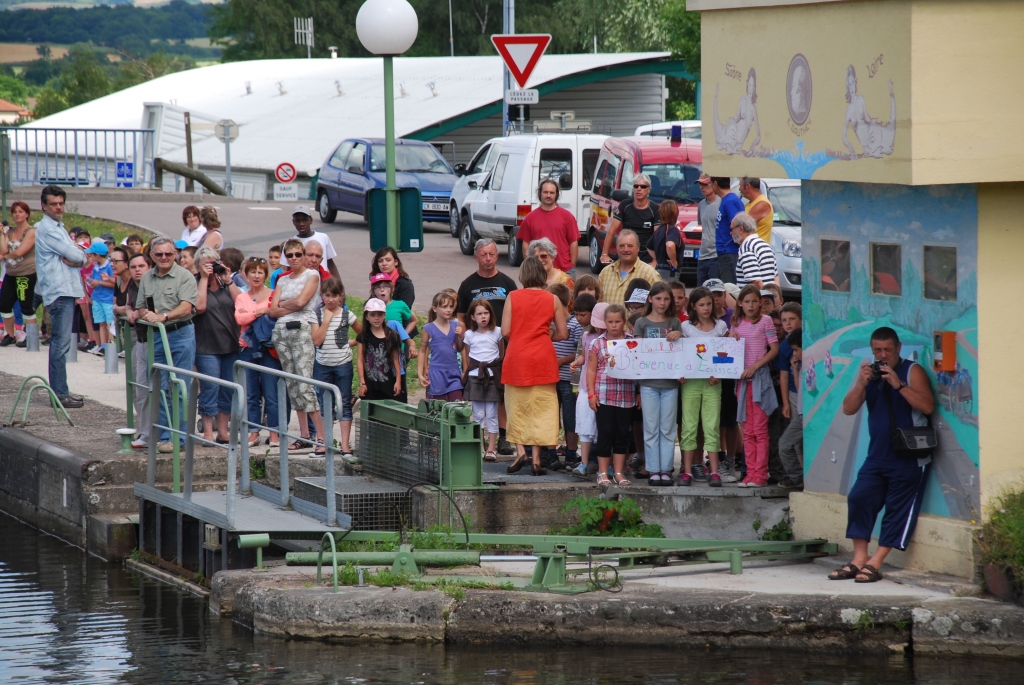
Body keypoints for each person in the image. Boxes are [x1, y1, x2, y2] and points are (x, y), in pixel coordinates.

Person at [830, 327, 934, 583]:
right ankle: (859, 559)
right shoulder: (870, 375)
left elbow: (927, 405)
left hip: (909, 454)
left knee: (897, 508)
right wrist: (861, 383)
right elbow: (848, 409)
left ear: (898, 348)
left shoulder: (912, 371)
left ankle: (876, 562)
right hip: (877, 454)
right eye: (877, 350)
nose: (883, 355)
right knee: (859, 497)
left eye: (888, 350)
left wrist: (898, 385)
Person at [501, 256, 568, 476]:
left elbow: (505, 331)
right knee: (542, 408)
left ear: (522, 275)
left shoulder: (513, 296)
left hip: (517, 356)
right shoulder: (553, 299)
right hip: (543, 357)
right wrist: (545, 335)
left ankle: (521, 451)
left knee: (516, 406)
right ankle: (537, 459)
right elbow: (563, 333)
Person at [136, 236, 199, 450]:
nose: (164, 258)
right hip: (157, 335)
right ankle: (164, 436)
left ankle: (179, 438)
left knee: (179, 386)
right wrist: (146, 313)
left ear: (175, 255)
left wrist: (162, 316)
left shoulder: (185, 276)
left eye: (169, 254)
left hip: (180, 333)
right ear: (152, 255)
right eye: (159, 254)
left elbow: (187, 308)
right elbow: (141, 306)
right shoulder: (146, 277)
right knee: (160, 386)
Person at [267, 239, 325, 452]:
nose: (294, 258)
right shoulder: (282, 280)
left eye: (298, 254)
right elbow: (272, 310)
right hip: (281, 332)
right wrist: (283, 306)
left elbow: (302, 303)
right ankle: (304, 435)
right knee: (292, 385)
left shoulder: (312, 275)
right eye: (289, 255)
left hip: (302, 329)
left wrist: (282, 304)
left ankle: (321, 437)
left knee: (305, 383)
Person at [33, 186, 86, 408]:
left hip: (63, 289)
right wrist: (81, 257)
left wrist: (77, 256)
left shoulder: (57, 226)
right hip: (60, 290)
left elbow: (75, 254)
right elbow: (75, 253)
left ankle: (61, 391)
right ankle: (59, 394)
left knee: (61, 344)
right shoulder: (48, 228)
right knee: (60, 344)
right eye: (54, 204)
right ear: (44, 206)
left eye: (61, 203)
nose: (58, 207)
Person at [679, 286, 731, 486]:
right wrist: (680, 373)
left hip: (713, 383)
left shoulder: (720, 327)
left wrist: (719, 373)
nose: (706, 308)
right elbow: (680, 355)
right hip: (691, 383)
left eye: (709, 304)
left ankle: (715, 471)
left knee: (712, 425)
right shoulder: (686, 328)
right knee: (689, 426)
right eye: (702, 305)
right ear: (693, 306)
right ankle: (688, 471)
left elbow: (727, 355)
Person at [633, 282, 683, 486]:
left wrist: (680, 335)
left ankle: (666, 469)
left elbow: (683, 352)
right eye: (659, 298)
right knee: (651, 427)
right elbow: (635, 354)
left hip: (670, 384)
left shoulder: (674, 322)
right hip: (648, 384)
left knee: (668, 429)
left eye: (666, 299)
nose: (662, 303)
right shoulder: (641, 323)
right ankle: (653, 469)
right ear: (650, 300)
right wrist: (637, 387)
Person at [729, 284, 779, 488]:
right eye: (747, 301)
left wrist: (755, 366)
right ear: (740, 303)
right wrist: (729, 338)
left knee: (760, 429)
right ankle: (749, 473)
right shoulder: (736, 322)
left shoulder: (766, 321)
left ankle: (760, 474)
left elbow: (774, 349)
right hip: (741, 380)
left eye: (754, 301)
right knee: (747, 429)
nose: (751, 305)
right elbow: (729, 350)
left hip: (760, 379)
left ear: (760, 303)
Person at [191, 246, 242, 444]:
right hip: (205, 346)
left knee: (227, 389)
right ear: (198, 266)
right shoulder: (194, 283)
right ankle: (208, 433)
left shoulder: (225, 284)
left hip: (229, 345)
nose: (211, 268)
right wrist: (204, 278)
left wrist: (228, 280)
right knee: (210, 387)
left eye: (214, 264)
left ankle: (222, 431)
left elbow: (242, 304)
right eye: (206, 264)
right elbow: (200, 306)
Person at [586, 304, 636, 486]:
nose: (614, 325)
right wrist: (591, 394)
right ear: (605, 322)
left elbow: (638, 369)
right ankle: (602, 472)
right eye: (610, 322)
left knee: (622, 433)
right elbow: (591, 371)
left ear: (624, 321)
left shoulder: (632, 341)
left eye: (617, 321)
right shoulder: (597, 343)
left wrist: (638, 392)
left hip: (626, 395)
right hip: (604, 395)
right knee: (605, 432)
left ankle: (619, 472)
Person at [311, 277, 361, 458]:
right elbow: (316, 340)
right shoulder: (316, 315)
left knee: (345, 403)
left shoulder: (348, 315)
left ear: (341, 296)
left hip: (343, 364)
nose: (330, 299)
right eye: (326, 295)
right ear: (322, 296)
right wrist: (326, 320)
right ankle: (326, 443)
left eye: (334, 296)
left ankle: (345, 446)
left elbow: (362, 334)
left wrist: (349, 344)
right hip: (322, 365)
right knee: (325, 404)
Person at [235, 256, 281, 448]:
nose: (256, 275)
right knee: (251, 392)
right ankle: (253, 431)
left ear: (265, 275)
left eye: (260, 272)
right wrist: (259, 312)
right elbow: (239, 318)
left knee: (271, 392)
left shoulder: (272, 294)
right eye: (252, 271)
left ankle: (275, 432)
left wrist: (254, 314)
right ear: (246, 275)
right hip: (247, 347)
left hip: (268, 348)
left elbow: (276, 313)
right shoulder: (241, 297)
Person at [461, 298, 504, 461]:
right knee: (478, 414)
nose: (483, 317)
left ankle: (492, 449)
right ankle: (479, 446)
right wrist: (467, 371)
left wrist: (494, 368)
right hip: (475, 377)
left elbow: (501, 353)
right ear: (472, 317)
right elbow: (467, 354)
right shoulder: (469, 334)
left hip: (492, 376)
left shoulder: (497, 332)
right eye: (479, 314)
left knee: (492, 414)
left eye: (486, 313)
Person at [516, 179, 580, 278]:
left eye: (552, 193)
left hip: (564, 271)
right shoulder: (530, 218)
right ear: (540, 193)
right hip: (538, 272)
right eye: (545, 192)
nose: (548, 195)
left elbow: (573, 243)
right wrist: (531, 267)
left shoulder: (567, 216)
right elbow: (526, 245)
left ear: (556, 195)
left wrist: (571, 266)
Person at [548, 282, 581, 471]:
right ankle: (550, 452)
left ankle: (570, 452)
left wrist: (561, 361)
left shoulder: (575, 324)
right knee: (551, 416)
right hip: (551, 378)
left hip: (568, 377)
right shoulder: (549, 324)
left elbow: (578, 351)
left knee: (570, 416)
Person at [122, 253, 152, 448]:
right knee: (139, 388)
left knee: (151, 389)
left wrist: (138, 312)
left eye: (141, 266)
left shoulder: (151, 284)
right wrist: (127, 311)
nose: (137, 270)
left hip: (153, 340)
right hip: (139, 340)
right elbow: (127, 305)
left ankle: (151, 433)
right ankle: (144, 431)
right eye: (133, 267)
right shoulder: (132, 285)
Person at [567, 295, 600, 477]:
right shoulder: (586, 335)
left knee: (602, 427)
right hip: (585, 386)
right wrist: (577, 363)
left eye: (583, 315)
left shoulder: (603, 336)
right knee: (585, 425)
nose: (579, 319)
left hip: (601, 386)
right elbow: (583, 355)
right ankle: (584, 462)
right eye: (577, 315)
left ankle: (602, 462)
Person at [600, 173, 660, 265]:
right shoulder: (625, 205)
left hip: (645, 255)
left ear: (649, 190)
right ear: (633, 189)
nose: (639, 189)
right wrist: (604, 254)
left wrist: (655, 261)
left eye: (643, 186)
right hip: (625, 253)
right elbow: (612, 230)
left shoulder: (655, 209)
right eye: (636, 186)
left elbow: (657, 237)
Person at [0, 200, 37, 347]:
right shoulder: (10, 231)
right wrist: (2, 235)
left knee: (25, 305)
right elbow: (3, 250)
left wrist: (5, 257)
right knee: (4, 304)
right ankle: (10, 334)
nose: (17, 215)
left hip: (25, 273)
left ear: (27, 214)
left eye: (20, 212)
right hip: (11, 273)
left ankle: (31, 336)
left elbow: (21, 251)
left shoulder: (31, 231)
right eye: (15, 212)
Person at [457, 238, 518, 326]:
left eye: (491, 254)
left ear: (497, 256)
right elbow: (460, 316)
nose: (488, 258)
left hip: (502, 337)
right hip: (476, 338)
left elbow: (517, 313)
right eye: (483, 255)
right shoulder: (466, 285)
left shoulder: (508, 283)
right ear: (476, 257)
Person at [418, 290, 464, 401]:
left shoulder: (456, 325)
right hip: (437, 374)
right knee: (438, 408)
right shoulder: (428, 328)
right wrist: (420, 373)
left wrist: (460, 336)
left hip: (454, 373)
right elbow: (422, 351)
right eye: (444, 307)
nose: (448, 310)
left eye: (451, 307)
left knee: (457, 406)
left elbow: (460, 348)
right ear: (435, 309)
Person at [596, 230, 662, 307]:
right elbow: (598, 304)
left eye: (630, 246)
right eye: (621, 246)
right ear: (616, 248)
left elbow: (658, 305)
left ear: (638, 248)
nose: (626, 249)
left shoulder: (650, 274)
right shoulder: (605, 273)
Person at [356, 298, 403, 401]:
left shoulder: (392, 335)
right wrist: (362, 383)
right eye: (372, 315)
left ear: (384, 315)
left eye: (379, 314)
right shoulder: (363, 336)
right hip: (370, 384)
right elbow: (360, 360)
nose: (376, 318)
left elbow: (396, 360)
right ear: (367, 317)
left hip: (387, 383)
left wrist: (398, 381)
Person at [777, 325, 804, 489]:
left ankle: (797, 477)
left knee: (785, 445)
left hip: (805, 415)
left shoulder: (813, 366)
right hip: (801, 413)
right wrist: (794, 369)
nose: (794, 354)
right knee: (790, 445)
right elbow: (799, 387)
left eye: (796, 350)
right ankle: (799, 477)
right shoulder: (802, 366)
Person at [290, 206, 340, 280]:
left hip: (322, 284)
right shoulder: (290, 243)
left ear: (311, 220)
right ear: (293, 222)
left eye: (305, 220)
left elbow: (330, 263)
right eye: (298, 221)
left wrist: (339, 285)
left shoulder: (323, 237)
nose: (302, 224)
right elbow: (287, 268)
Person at [731, 212, 777, 289]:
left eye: (731, 229)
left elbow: (756, 281)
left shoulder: (746, 248)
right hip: (770, 296)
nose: (730, 233)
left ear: (741, 229)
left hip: (755, 298)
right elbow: (776, 277)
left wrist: (764, 298)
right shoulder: (766, 245)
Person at [713, 177, 745, 284]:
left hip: (729, 252)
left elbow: (737, 224)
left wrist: (733, 243)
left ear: (715, 184)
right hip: (725, 251)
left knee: (730, 288)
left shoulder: (730, 201)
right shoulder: (726, 200)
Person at [85, 242, 116, 351]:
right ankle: (103, 346)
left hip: (107, 299)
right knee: (101, 323)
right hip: (97, 298)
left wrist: (99, 283)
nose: (90, 256)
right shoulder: (96, 267)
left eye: (92, 254)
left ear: (97, 255)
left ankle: (110, 345)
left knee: (109, 323)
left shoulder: (109, 267)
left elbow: (114, 284)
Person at [646, 200, 682, 281]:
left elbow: (649, 247)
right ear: (675, 213)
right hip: (669, 272)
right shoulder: (673, 230)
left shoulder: (659, 230)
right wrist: (674, 262)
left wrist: (659, 259)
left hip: (659, 269)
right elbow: (669, 245)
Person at [695, 174, 720, 284]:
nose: (701, 187)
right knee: (700, 291)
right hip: (703, 255)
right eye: (700, 184)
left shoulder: (722, 202)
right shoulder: (701, 204)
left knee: (716, 290)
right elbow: (703, 227)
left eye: (705, 184)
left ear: (713, 184)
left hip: (716, 255)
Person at [739, 177, 773, 244]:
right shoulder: (748, 204)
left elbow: (742, 227)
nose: (739, 189)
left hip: (757, 251)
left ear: (748, 186)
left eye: (741, 186)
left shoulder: (762, 204)